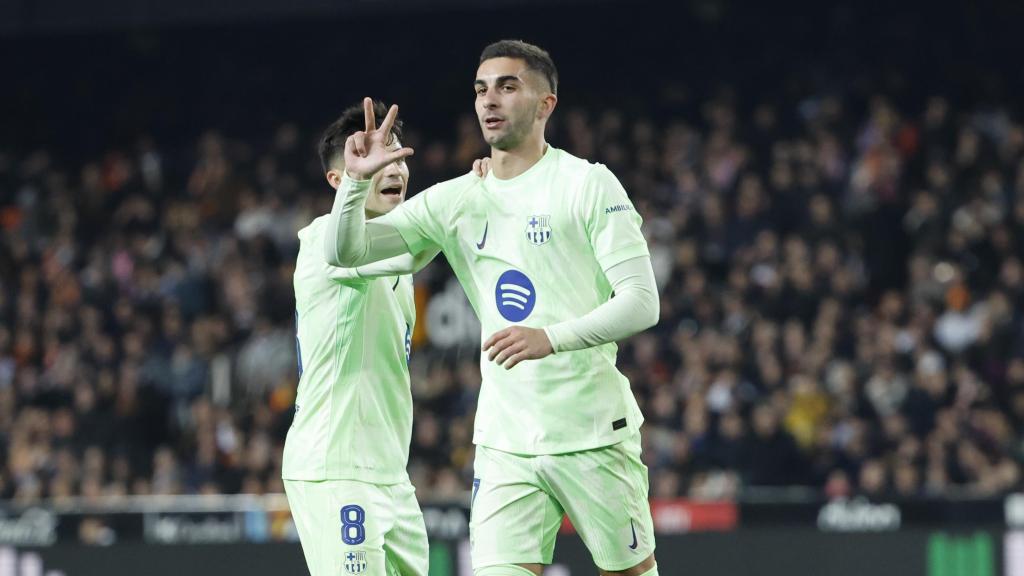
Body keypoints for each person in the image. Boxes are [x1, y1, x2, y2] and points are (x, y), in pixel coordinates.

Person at [323, 40, 661, 576]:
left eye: (508, 86)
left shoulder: (587, 184)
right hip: (504, 441)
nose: (490, 100)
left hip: (592, 430)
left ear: (545, 104)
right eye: (481, 89)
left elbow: (642, 303)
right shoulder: (458, 198)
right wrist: (356, 184)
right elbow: (346, 252)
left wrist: (551, 337)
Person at [282, 100, 487, 576]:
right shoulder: (320, 243)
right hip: (335, 469)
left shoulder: (394, 253)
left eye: (398, 159)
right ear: (339, 179)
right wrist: (359, 184)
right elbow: (351, 246)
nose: (393, 169)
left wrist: (483, 182)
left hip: (391, 477)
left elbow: (430, 228)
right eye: (376, 161)